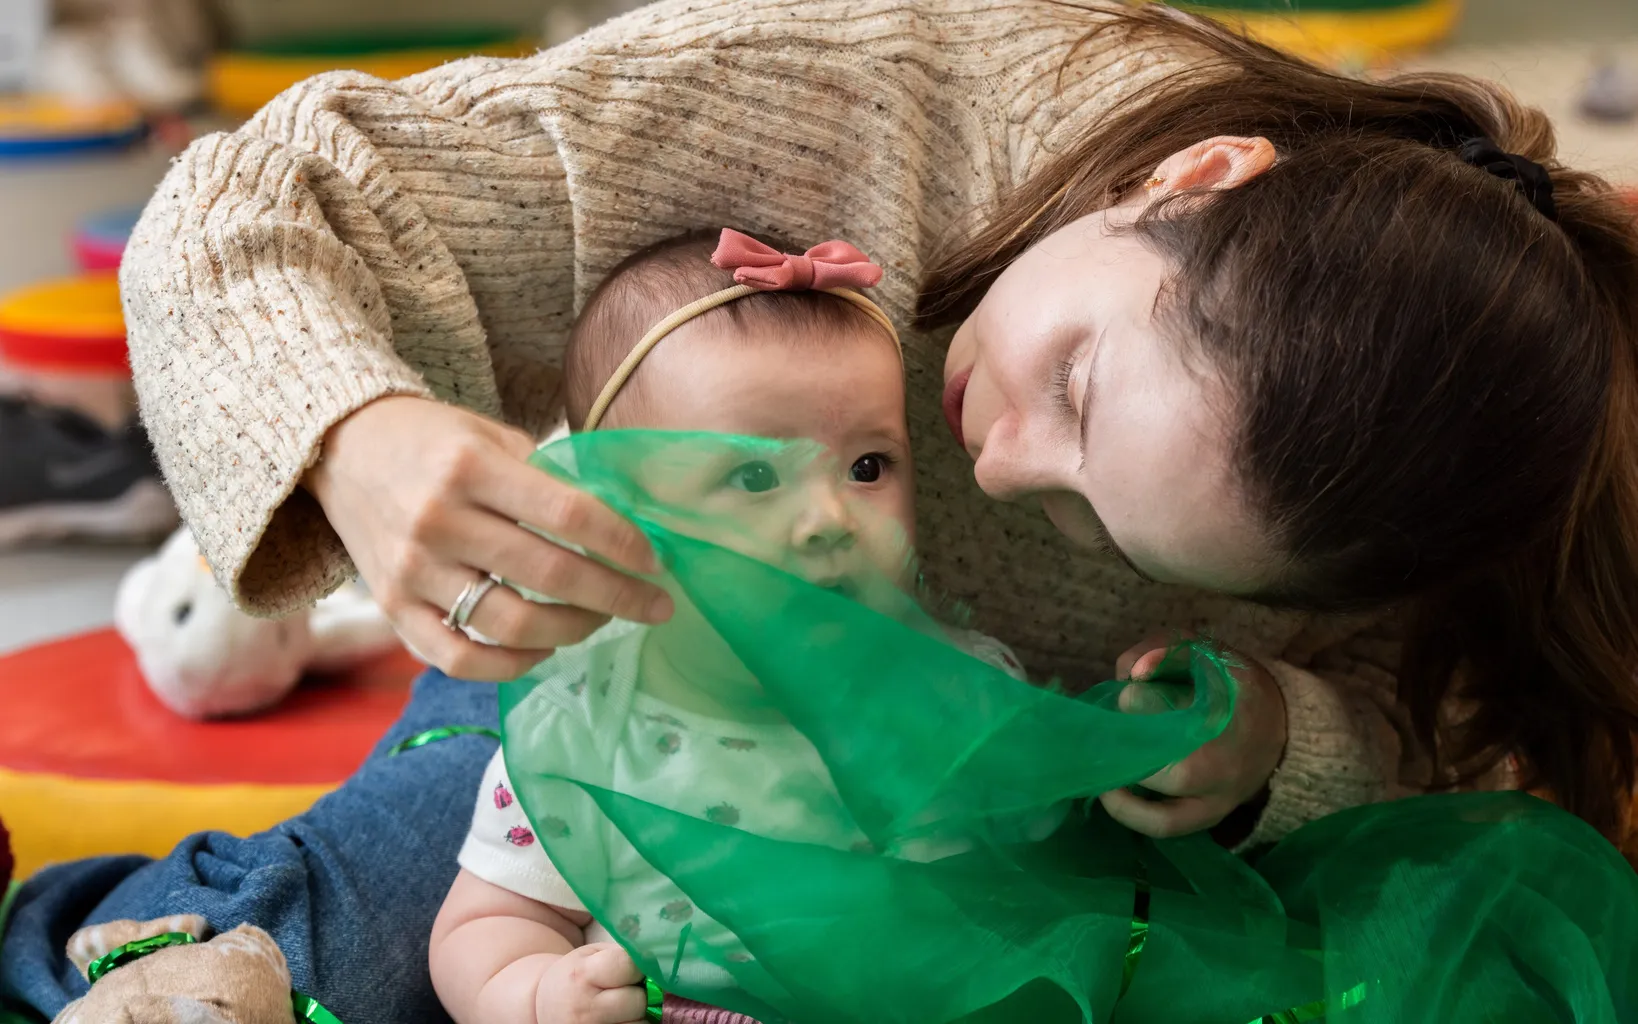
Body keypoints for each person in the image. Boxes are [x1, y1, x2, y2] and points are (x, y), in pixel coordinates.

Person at [5, 1, 1636, 1020]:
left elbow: (1450, 752)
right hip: (633, 648)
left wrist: (1264, 740)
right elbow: (261, 199)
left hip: (972, 811)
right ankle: (158, 943)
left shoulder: (1431, 467)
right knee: (398, 916)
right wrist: (360, 434)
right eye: (1066, 387)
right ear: (1195, 177)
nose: (992, 466)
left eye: (1104, 527)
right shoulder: (863, 90)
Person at [432, 228, 1035, 1023]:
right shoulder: (586, 734)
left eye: (867, 467)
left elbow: (1034, 871)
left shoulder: (958, 694)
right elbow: (490, 923)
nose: (826, 520)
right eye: (752, 475)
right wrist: (538, 995)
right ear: (616, 518)